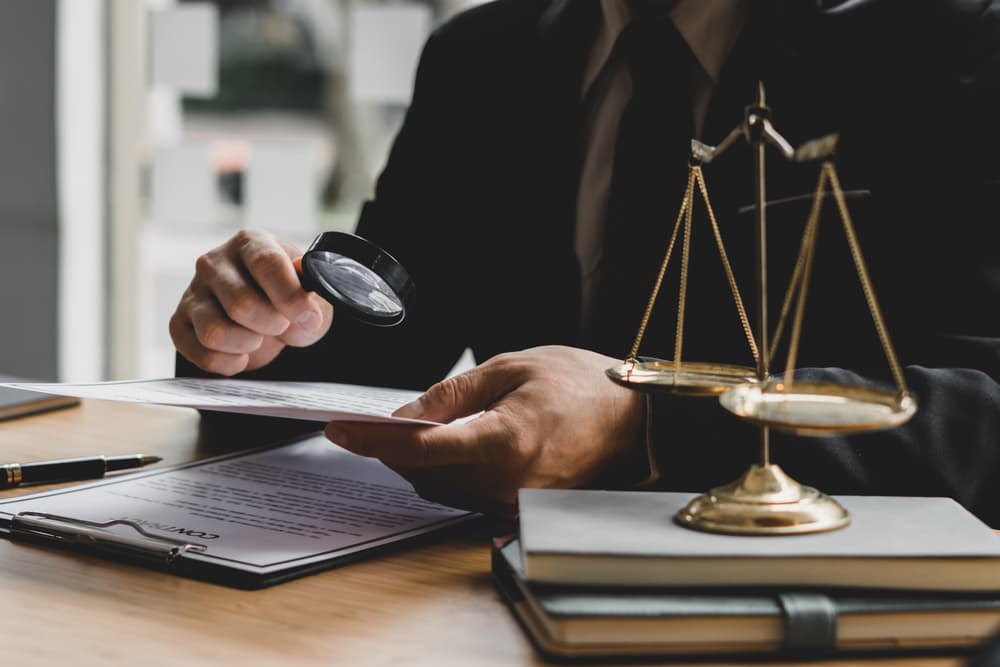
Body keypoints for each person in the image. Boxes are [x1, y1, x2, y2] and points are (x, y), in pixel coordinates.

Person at [173, 0, 1000, 523]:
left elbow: (982, 412)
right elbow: (381, 352)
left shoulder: (951, 47)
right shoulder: (481, 56)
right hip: (490, 598)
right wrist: (253, 332)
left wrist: (647, 424)